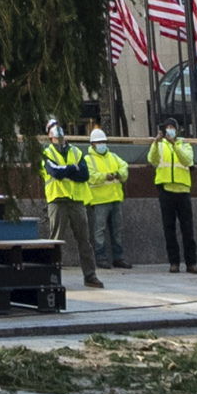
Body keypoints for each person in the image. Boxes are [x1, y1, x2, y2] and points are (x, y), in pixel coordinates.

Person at [42, 123, 101, 287]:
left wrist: (67, 170)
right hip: (57, 200)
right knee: (55, 242)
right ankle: (51, 278)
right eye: (54, 134)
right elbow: (55, 172)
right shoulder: (47, 152)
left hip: (76, 201)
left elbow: (84, 174)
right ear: (49, 136)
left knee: (84, 240)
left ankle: (90, 276)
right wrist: (71, 168)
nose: (59, 138)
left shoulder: (76, 151)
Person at [148, 125, 197, 275]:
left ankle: (191, 263)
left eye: (172, 127)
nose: (170, 130)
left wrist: (174, 145)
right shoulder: (160, 145)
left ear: (177, 130)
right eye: (167, 128)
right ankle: (174, 262)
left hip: (183, 191)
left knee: (187, 229)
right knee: (169, 229)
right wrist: (155, 143)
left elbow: (188, 161)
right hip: (166, 191)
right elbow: (152, 160)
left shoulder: (184, 144)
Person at [88, 126, 131, 269]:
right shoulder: (88, 159)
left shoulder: (113, 156)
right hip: (99, 201)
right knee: (99, 231)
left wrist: (119, 173)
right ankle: (101, 258)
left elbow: (124, 167)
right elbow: (90, 176)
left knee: (117, 230)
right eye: (98, 142)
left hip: (115, 198)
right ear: (92, 144)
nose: (101, 144)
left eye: (103, 141)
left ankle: (118, 258)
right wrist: (104, 176)